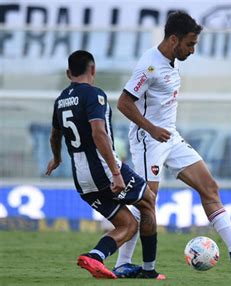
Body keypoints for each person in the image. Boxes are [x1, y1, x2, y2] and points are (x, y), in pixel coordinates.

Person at [114, 11, 231, 276]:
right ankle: (122, 264)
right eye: (190, 44)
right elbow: (123, 103)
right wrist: (151, 129)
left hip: (170, 137)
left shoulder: (173, 61)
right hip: (148, 141)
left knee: (209, 186)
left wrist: (162, 130)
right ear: (174, 40)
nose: (193, 49)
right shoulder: (149, 65)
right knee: (146, 204)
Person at [45, 50, 164, 280]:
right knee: (148, 201)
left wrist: (57, 158)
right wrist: (116, 172)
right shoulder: (94, 95)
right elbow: (99, 133)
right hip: (104, 170)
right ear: (93, 70)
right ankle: (149, 271)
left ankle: (95, 256)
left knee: (127, 225)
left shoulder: (60, 101)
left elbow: (54, 135)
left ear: (69, 73)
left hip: (82, 179)